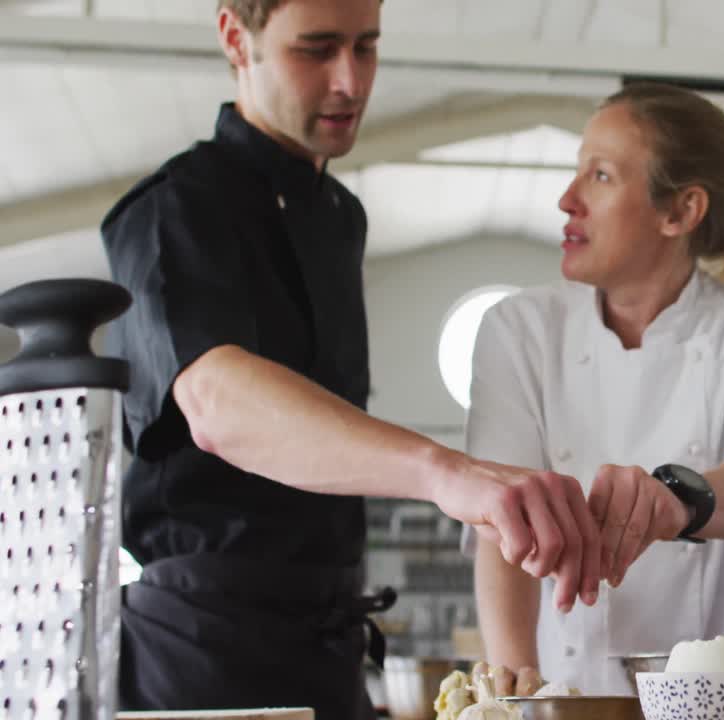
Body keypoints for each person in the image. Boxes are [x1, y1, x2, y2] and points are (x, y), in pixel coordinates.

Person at [99, 1, 600, 717]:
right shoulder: (174, 211)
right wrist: (444, 472)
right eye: (318, 49)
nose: (350, 80)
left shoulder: (339, 217)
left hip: (328, 644)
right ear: (236, 38)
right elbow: (216, 402)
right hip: (201, 647)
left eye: (367, 47)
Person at [466, 81, 724, 694]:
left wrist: (678, 500)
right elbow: (499, 525)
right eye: (579, 172)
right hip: (568, 698)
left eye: (600, 176)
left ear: (680, 212)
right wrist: (514, 681)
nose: (566, 200)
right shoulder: (520, 329)